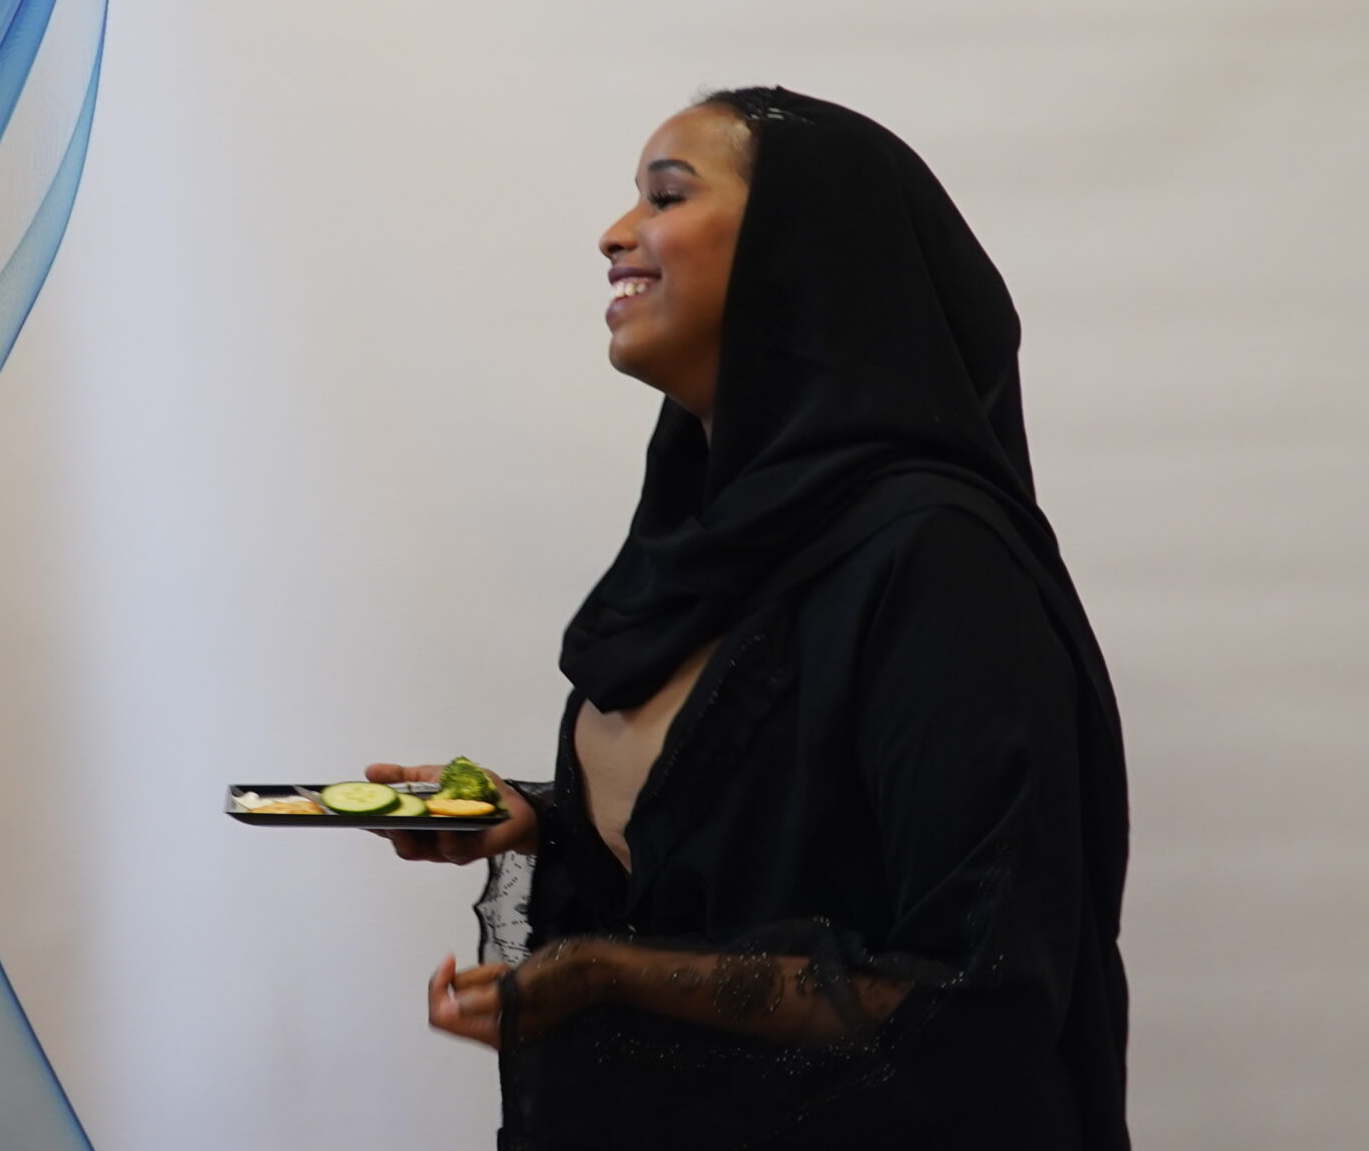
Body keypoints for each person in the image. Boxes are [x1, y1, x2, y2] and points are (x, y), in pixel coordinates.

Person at [371, 88, 1130, 1149]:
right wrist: (539, 819)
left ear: (800, 254)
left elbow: (977, 986)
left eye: (664, 196)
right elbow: (777, 832)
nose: (613, 231)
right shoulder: (703, 548)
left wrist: (603, 972)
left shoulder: (936, 559)